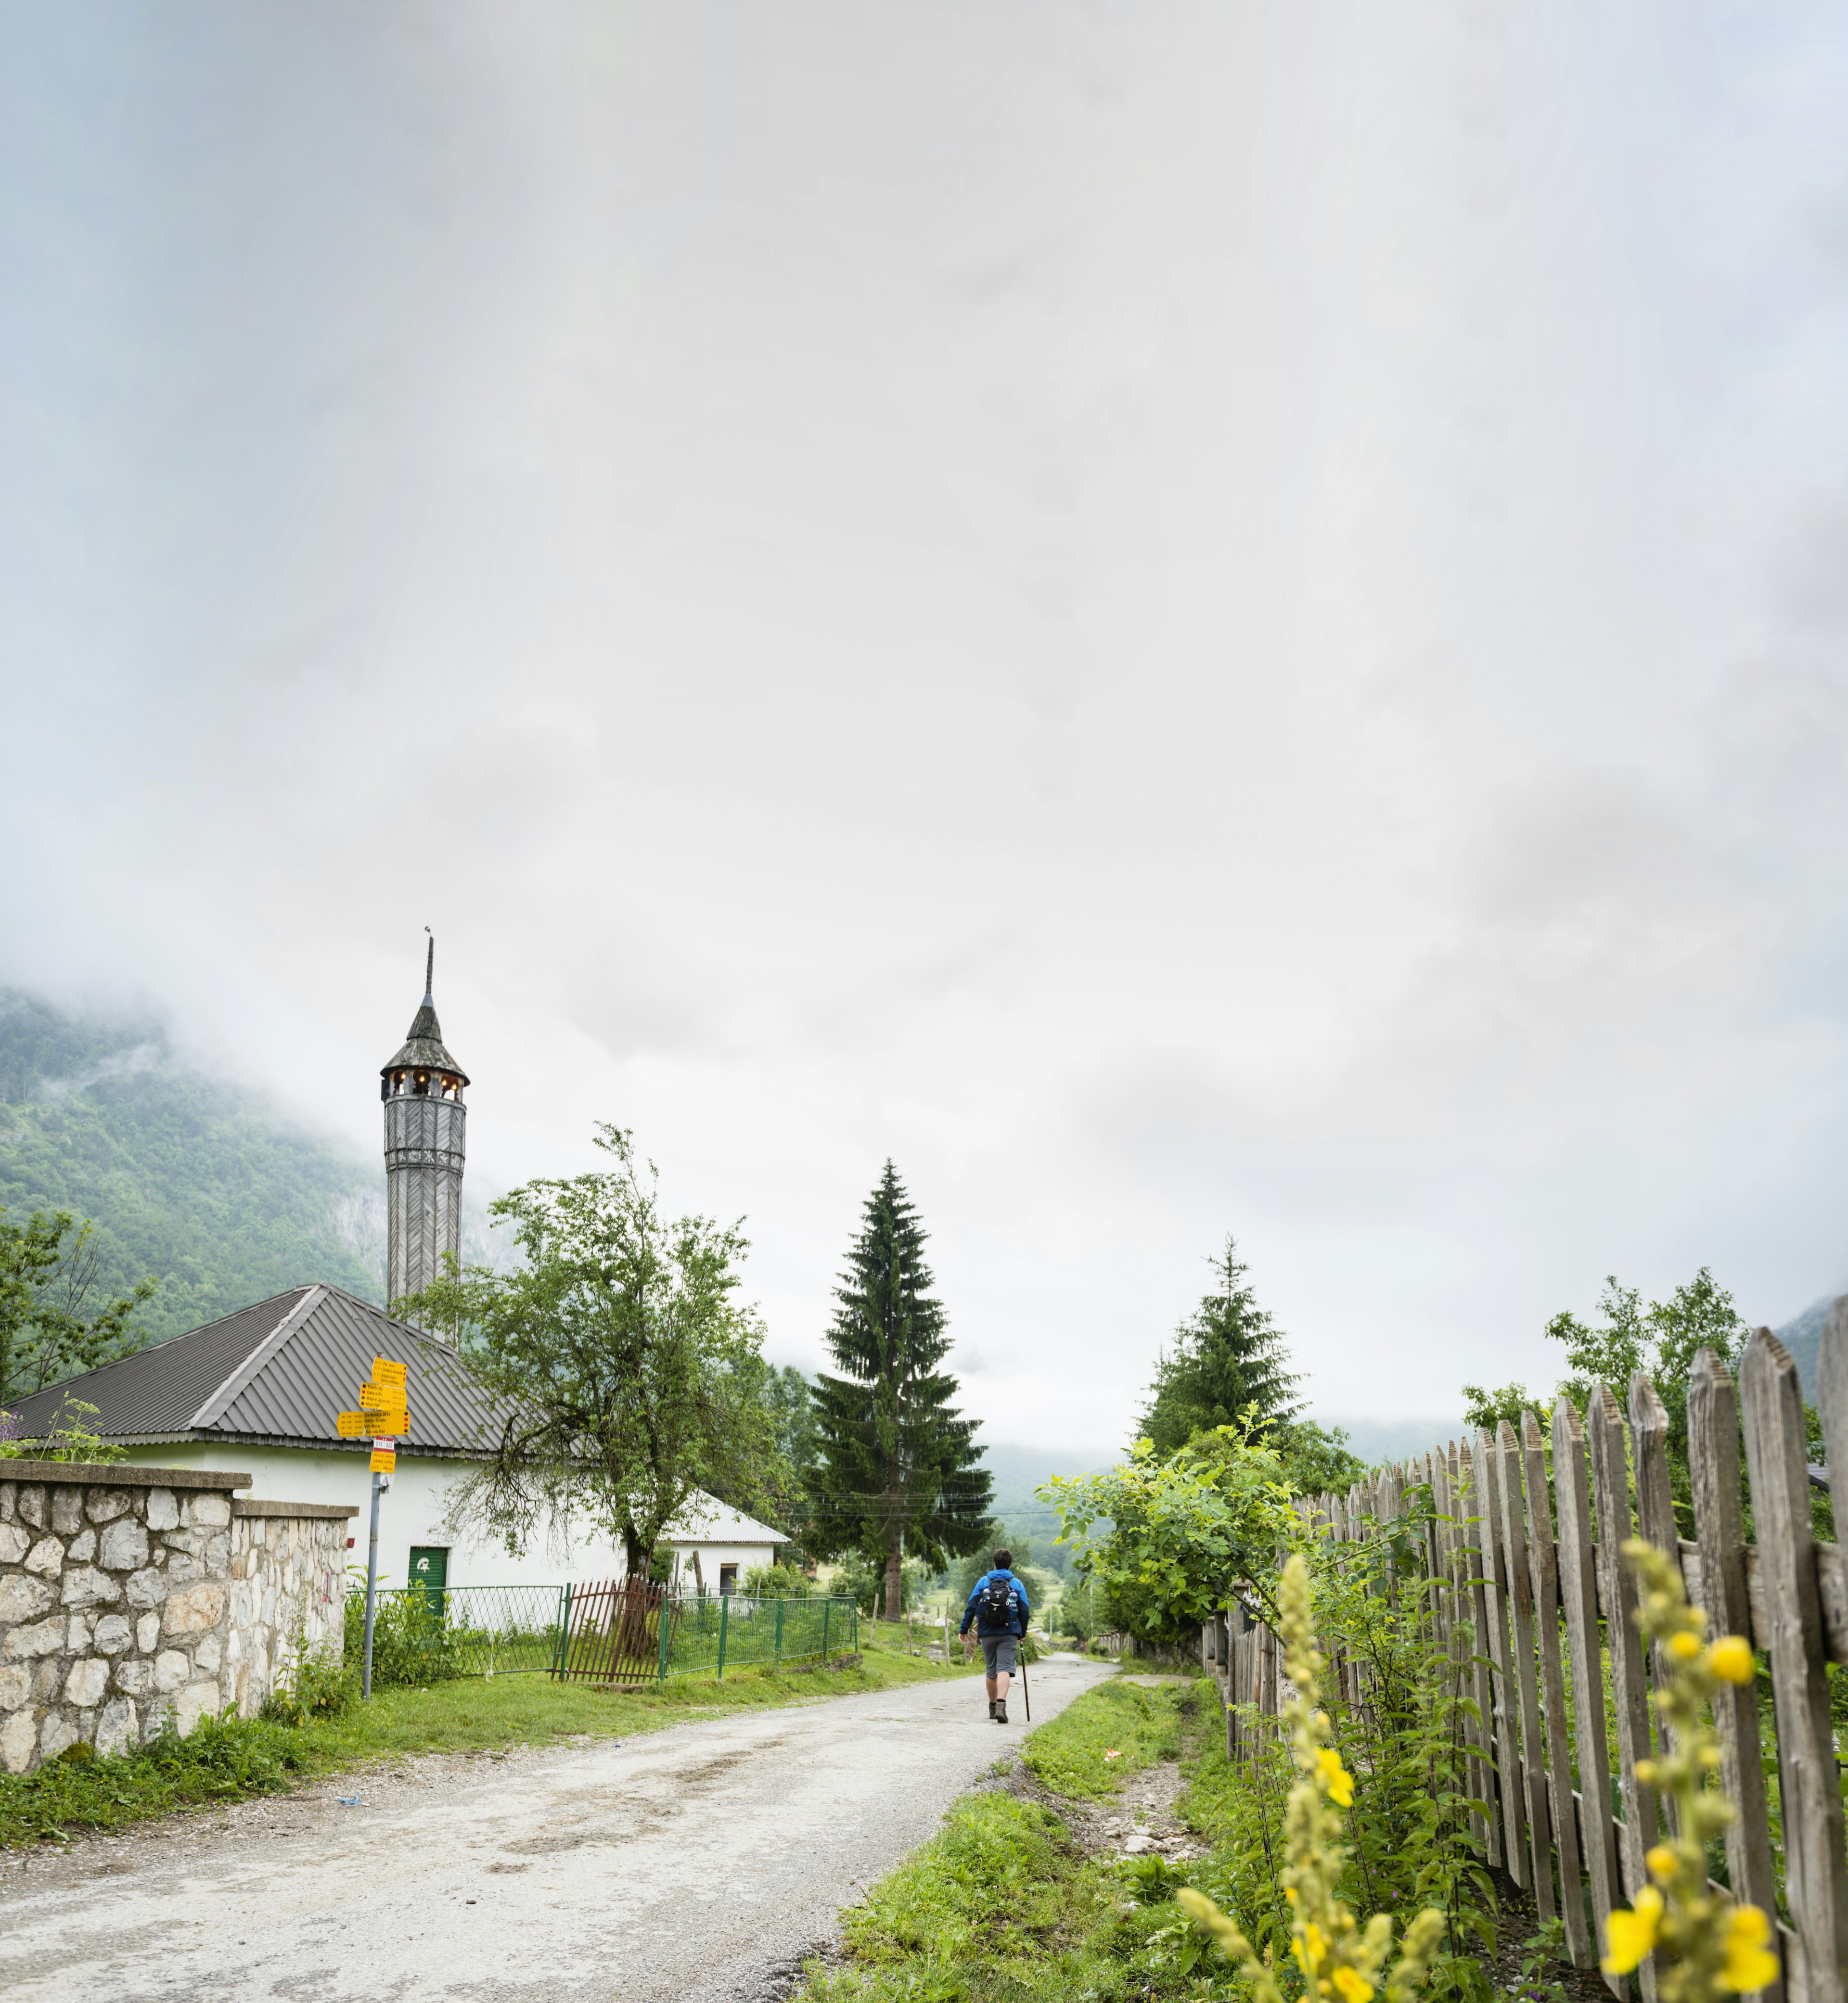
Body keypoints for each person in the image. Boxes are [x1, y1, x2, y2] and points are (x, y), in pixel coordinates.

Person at [959, 1547, 1030, 1724]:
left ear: (995, 1563)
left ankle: (992, 1708)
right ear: (1010, 1564)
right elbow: (1025, 1610)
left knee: (991, 1671)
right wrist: (1023, 1632)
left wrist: (964, 1629)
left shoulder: (984, 1582)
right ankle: (1001, 1707)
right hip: (1010, 1632)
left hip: (987, 1632)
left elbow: (971, 1606)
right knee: (1005, 1668)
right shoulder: (1017, 1583)